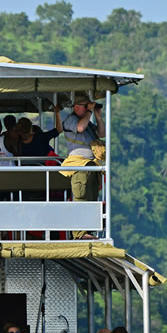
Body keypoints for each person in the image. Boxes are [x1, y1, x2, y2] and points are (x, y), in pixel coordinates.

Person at [61, 93, 106, 239]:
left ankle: (88, 231)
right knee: (81, 197)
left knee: (92, 199)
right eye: (85, 106)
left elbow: (102, 133)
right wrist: (89, 112)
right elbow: (80, 128)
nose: (88, 108)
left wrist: (98, 117)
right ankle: (79, 233)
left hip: (91, 166)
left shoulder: (87, 122)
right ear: (76, 107)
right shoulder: (71, 120)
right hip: (78, 165)